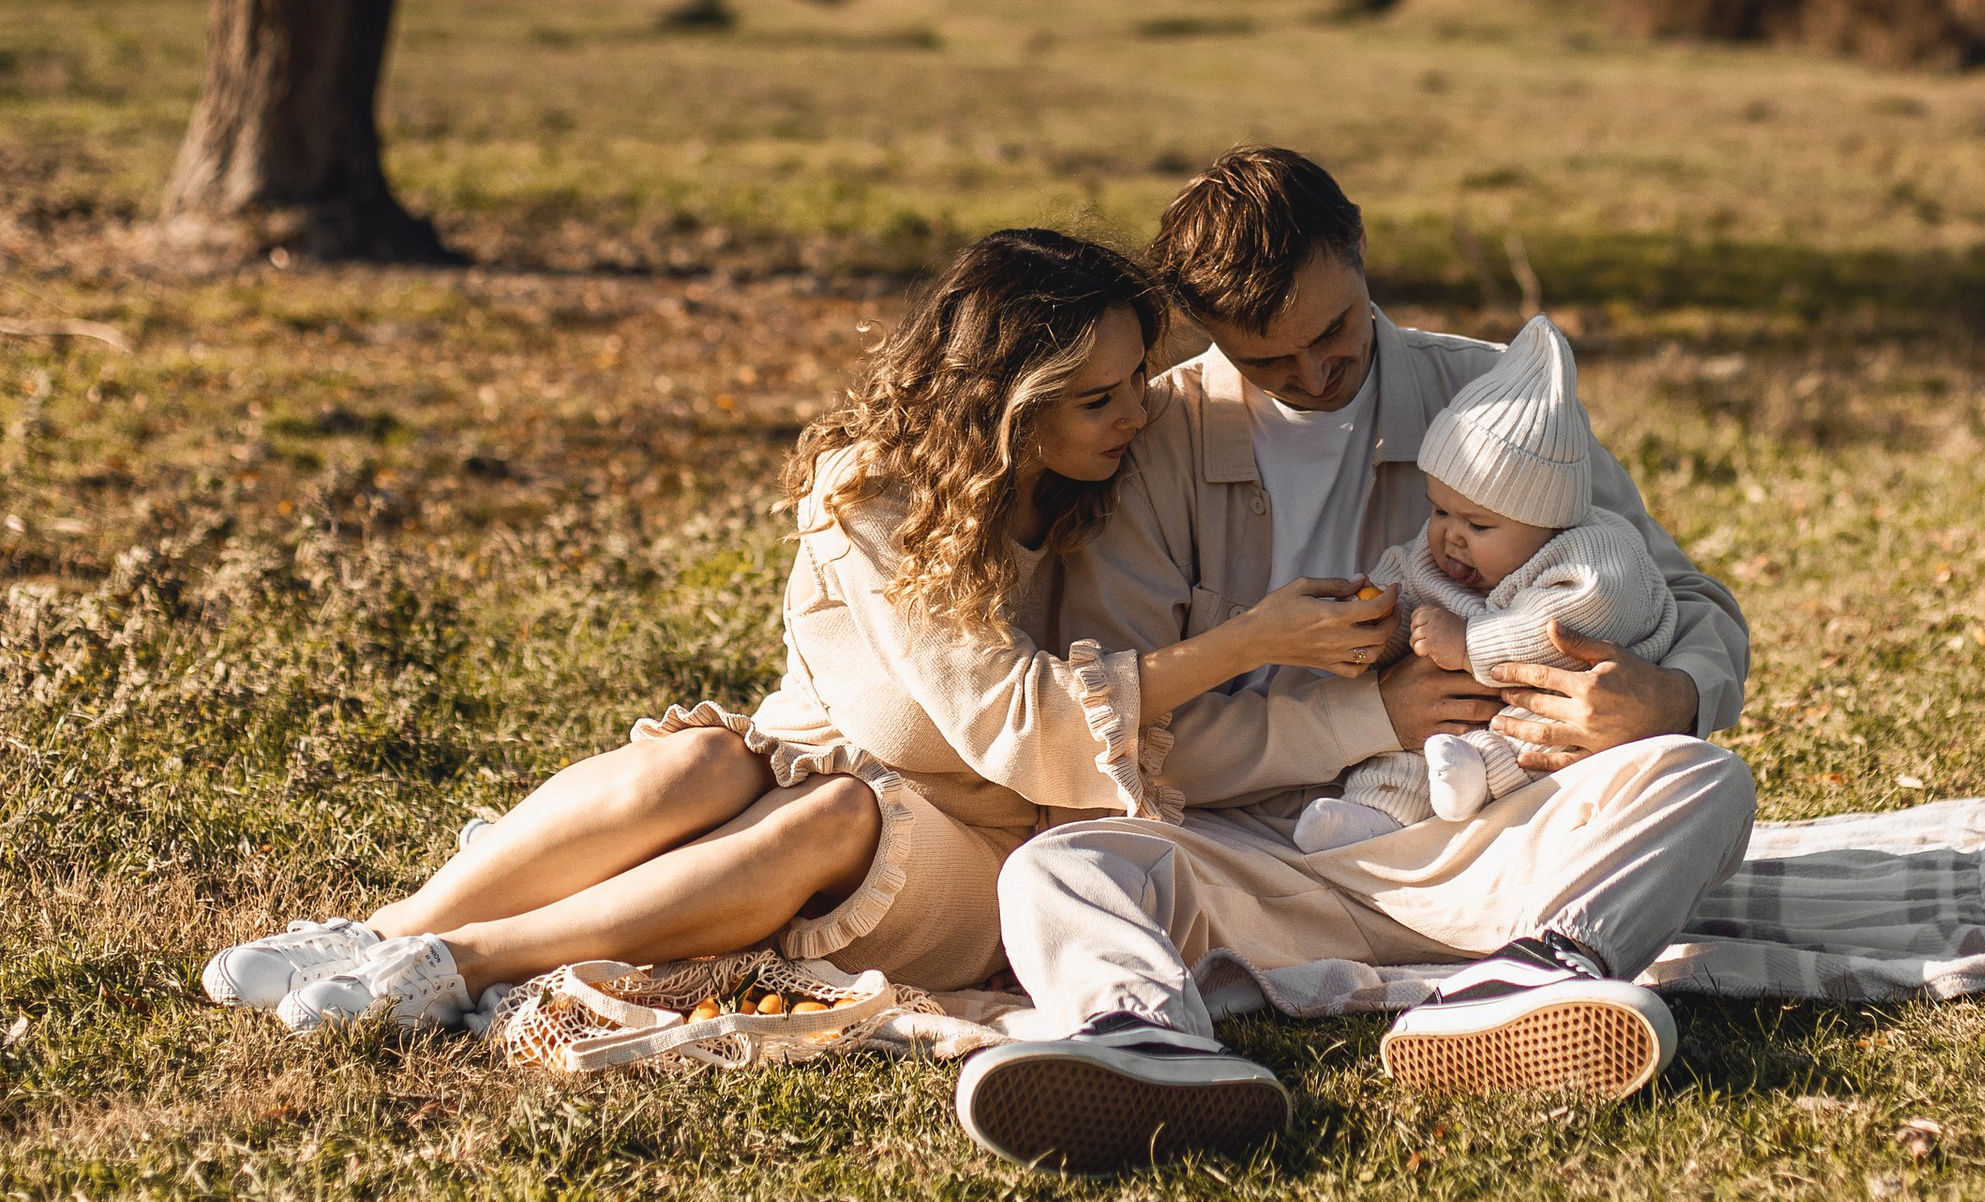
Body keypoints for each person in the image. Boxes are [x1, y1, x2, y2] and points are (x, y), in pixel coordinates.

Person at [201, 231, 1388, 1046]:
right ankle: (382, 932)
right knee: (703, 760)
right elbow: (994, 703)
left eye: (1138, 380)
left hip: (986, 840)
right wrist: (1242, 641)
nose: (1138, 415)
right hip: (807, 768)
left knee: (835, 816)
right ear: (1000, 402)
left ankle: (461, 966)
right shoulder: (874, 491)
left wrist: (1251, 648)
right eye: (1097, 397)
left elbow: (1023, 755)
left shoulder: (1109, 483)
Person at [951, 149, 1756, 1175]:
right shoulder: (1148, 443)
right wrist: (1372, 717)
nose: (1314, 376)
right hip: (1251, 856)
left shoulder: (1487, 398)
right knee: (1059, 869)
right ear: (1203, 330)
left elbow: (1687, 603)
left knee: (1702, 776)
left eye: (1332, 332)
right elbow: (1123, 740)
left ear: (1360, 250)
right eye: (1267, 361)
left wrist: (1671, 694)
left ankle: (1531, 981)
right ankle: (1139, 1039)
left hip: (1475, 837)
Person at [1292, 313, 1680, 846]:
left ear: (1547, 520)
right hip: (1448, 723)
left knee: (1534, 741)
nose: (1450, 537)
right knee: (1408, 747)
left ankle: (1477, 781)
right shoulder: (1439, 561)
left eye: (1478, 525)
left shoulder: (1594, 553)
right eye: (1439, 512)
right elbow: (1405, 585)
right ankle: (1372, 817)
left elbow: (1570, 624)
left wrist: (1469, 641)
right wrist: (1376, 627)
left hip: (1556, 720)